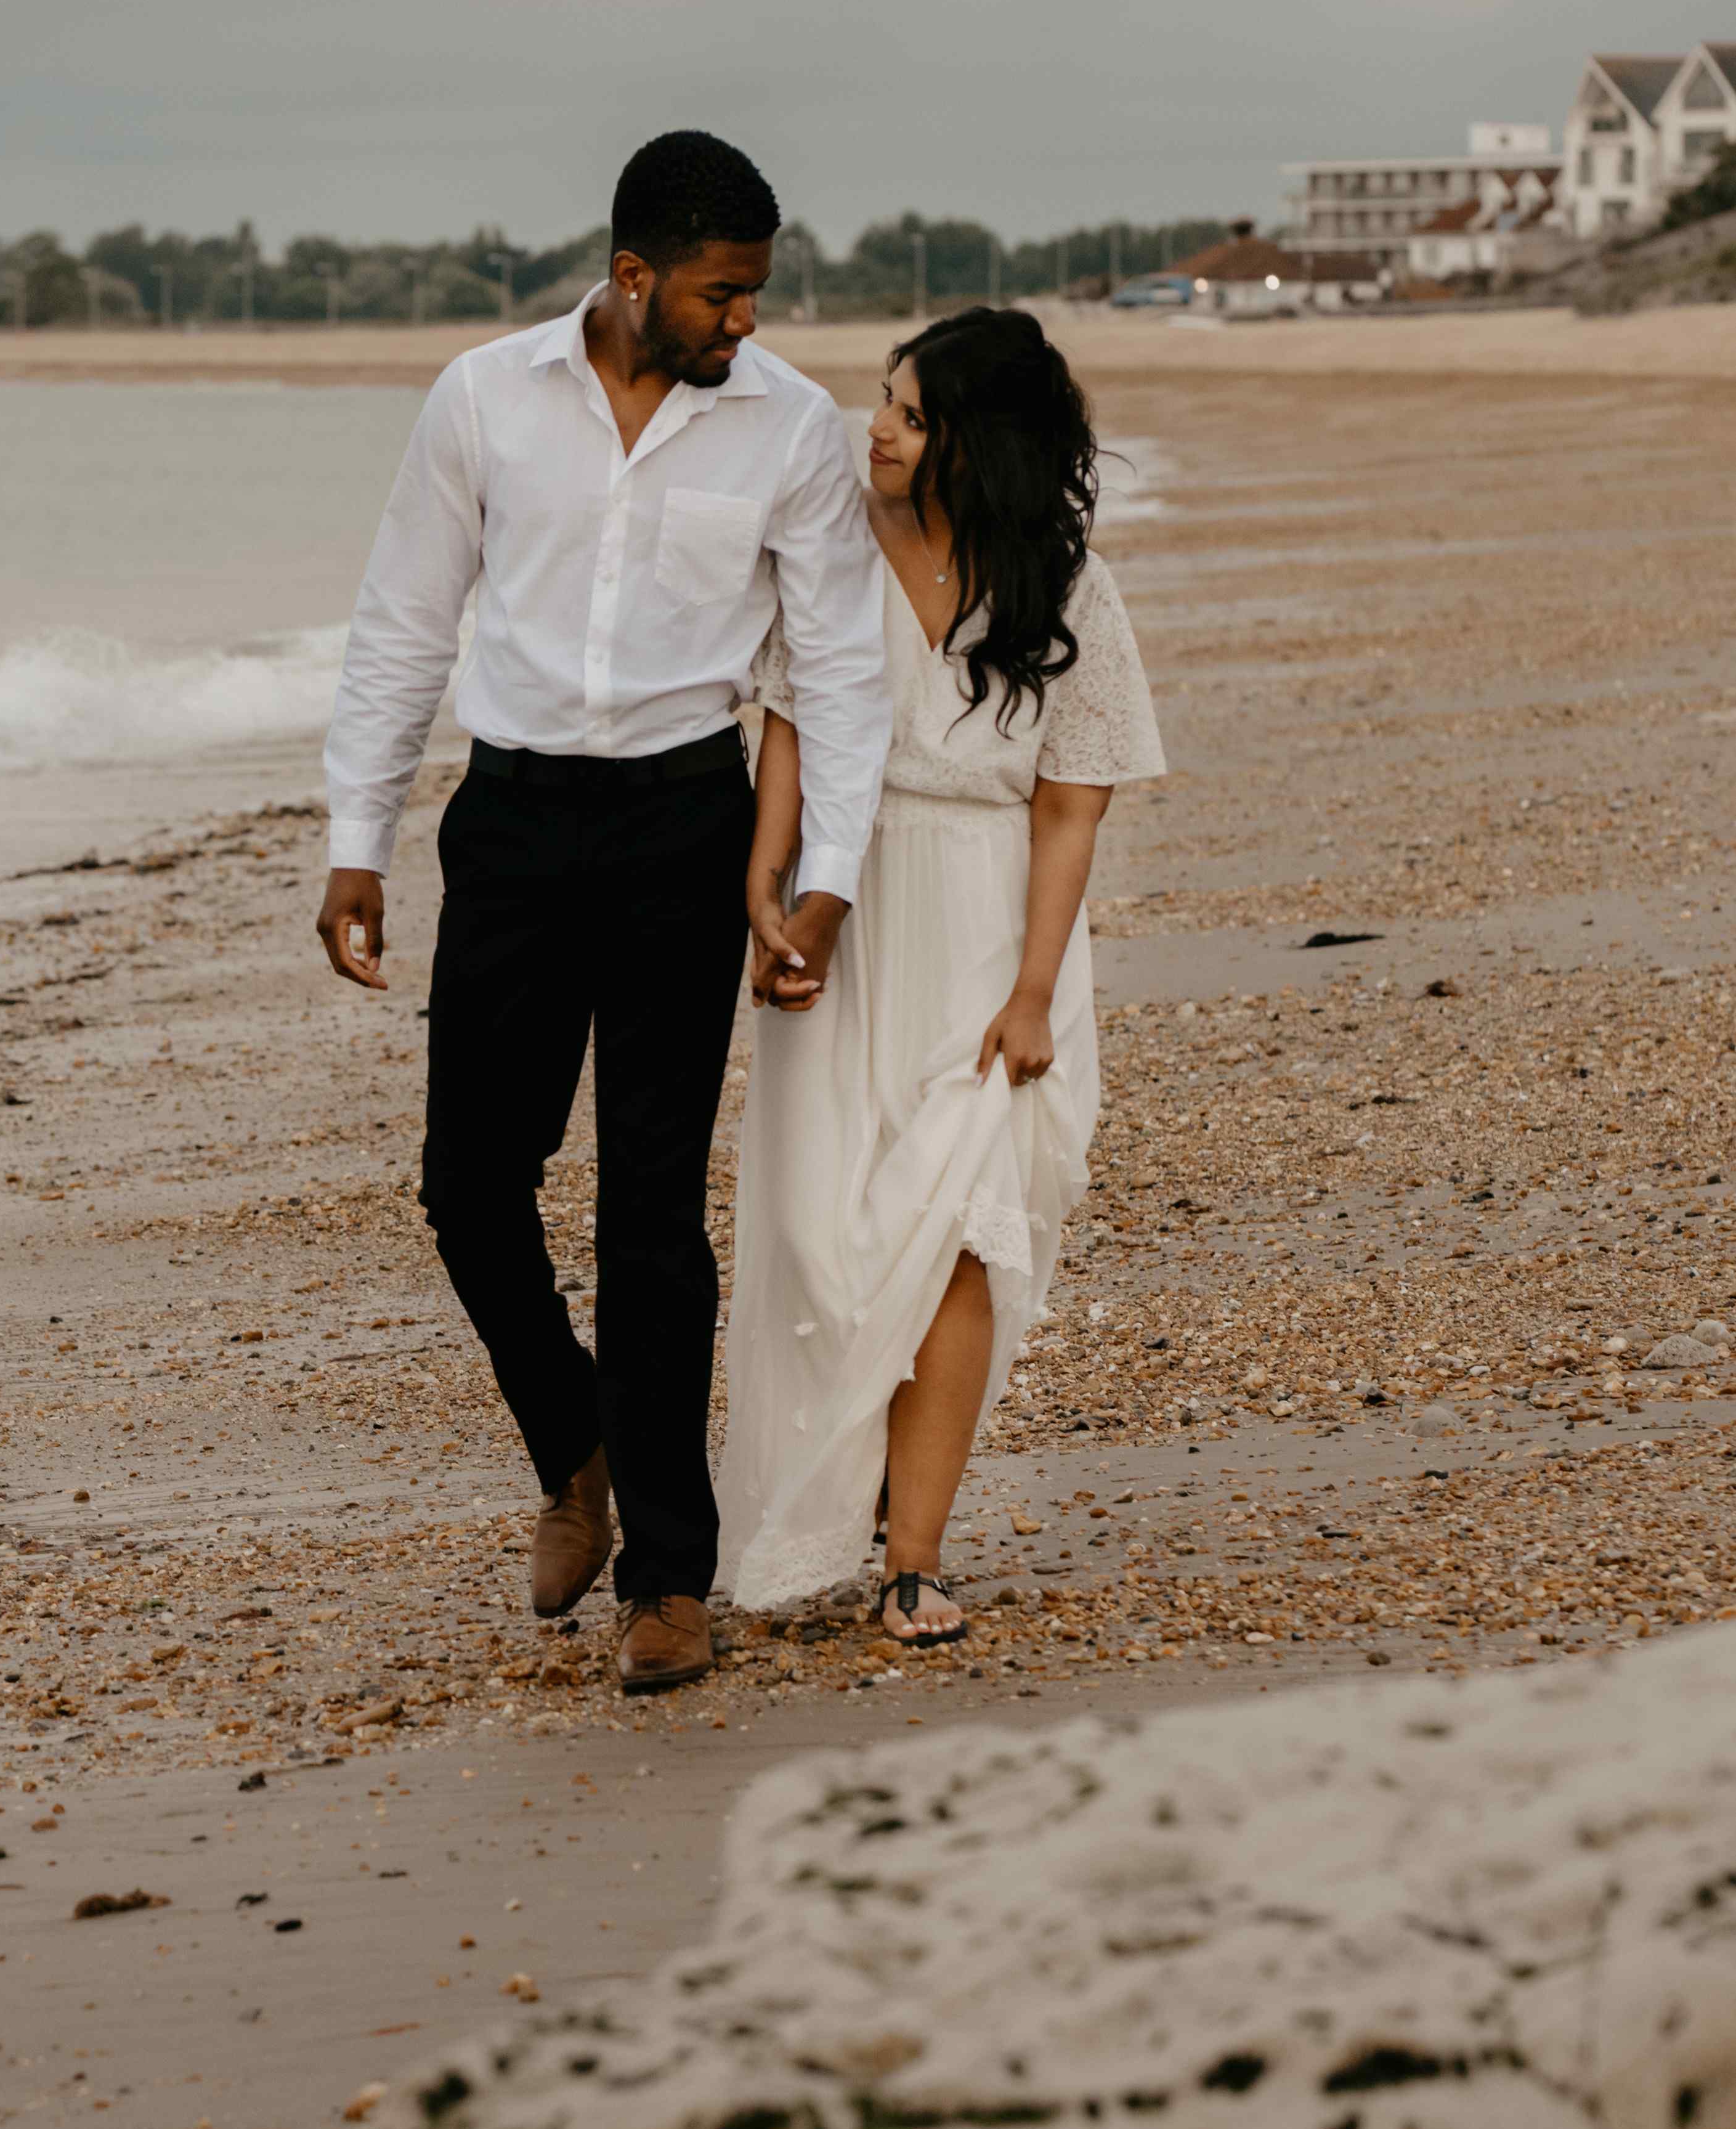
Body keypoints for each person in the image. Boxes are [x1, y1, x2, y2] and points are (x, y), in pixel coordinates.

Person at [316, 132, 889, 1695]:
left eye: (755, 294)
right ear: (633, 276)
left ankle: (670, 1577)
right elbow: (404, 618)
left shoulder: (789, 429)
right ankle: (570, 1447)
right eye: (721, 294)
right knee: (466, 1183)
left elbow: (837, 664)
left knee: (650, 1212)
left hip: (680, 827)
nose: (745, 323)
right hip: (508, 824)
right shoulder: (483, 397)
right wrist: (354, 832)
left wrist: (822, 878)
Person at [717, 306, 1164, 1639]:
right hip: (853, 912)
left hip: (989, 934)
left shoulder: (1064, 586)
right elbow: (793, 720)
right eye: (881, 401)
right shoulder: (836, 553)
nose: (879, 428)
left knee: (964, 1235)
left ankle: (910, 1556)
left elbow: (1070, 808)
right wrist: (771, 885)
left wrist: (1032, 992)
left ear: (977, 440)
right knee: (821, 1234)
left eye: (908, 412)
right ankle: (842, 1478)